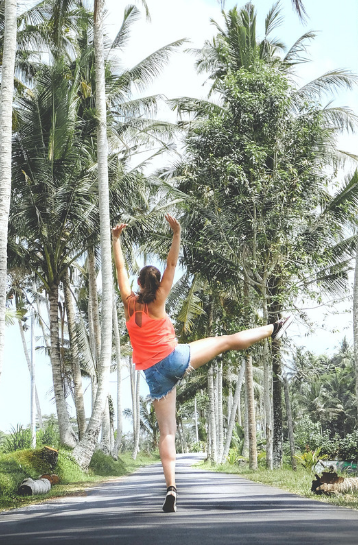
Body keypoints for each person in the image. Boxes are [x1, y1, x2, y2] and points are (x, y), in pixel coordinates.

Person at [112, 214, 289, 513]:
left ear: (139, 283)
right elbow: (171, 265)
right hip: (176, 358)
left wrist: (116, 241)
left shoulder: (130, 302)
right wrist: (176, 233)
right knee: (227, 340)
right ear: (155, 285)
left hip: (155, 376)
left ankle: (171, 488)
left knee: (166, 432)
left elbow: (119, 268)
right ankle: (273, 329)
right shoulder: (159, 301)